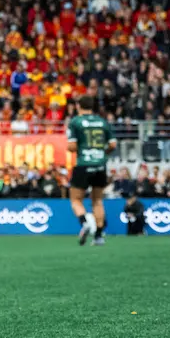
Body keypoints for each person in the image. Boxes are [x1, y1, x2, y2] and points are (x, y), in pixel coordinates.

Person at [67, 95, 117, 247]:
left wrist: (82, 148)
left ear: (78, 106)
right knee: (97, 201)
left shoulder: (75, 122)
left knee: (76, 200)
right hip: (100, 165)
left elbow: (72, 147)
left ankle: (84, 223)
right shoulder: (102, 122)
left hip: (83, 164)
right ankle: (99, 236)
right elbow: (113, 144)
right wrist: (102, 153)